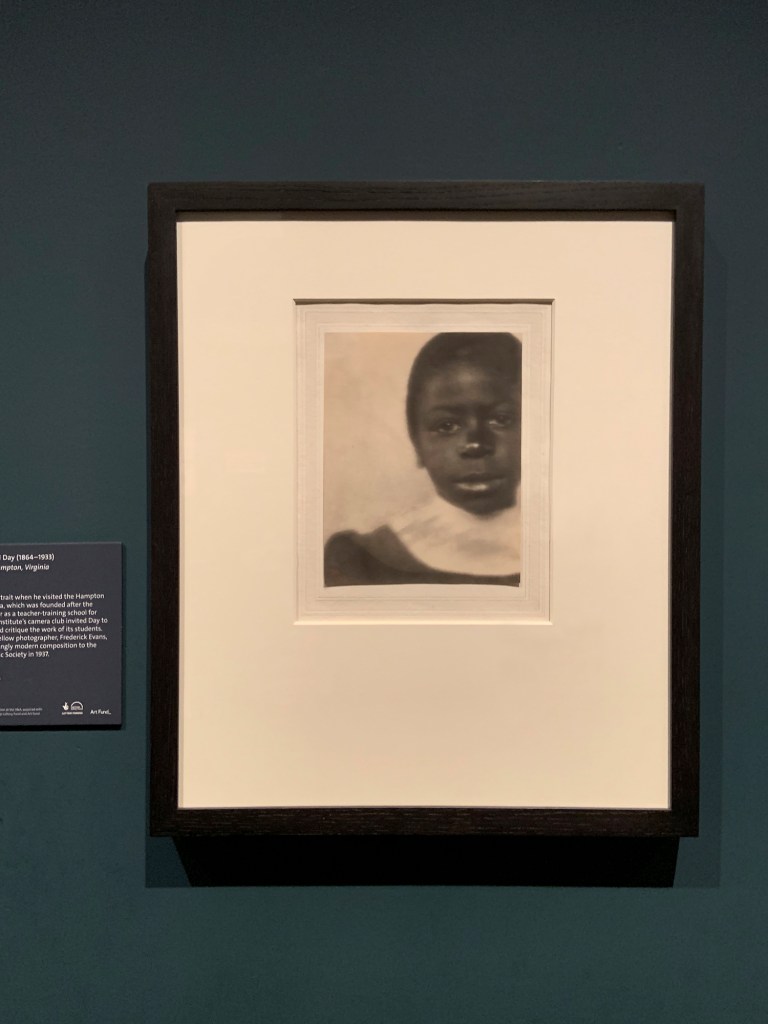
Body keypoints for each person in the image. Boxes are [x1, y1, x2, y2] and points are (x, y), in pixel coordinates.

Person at [324, 331, 522, 587]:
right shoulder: (361, 562)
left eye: (502, 420)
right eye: (447, 425)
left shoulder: (569, 553)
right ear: (416, 441)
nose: (475, 444)